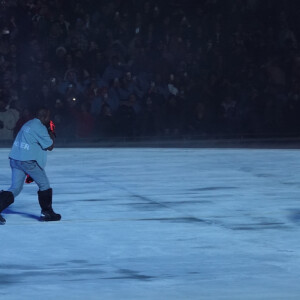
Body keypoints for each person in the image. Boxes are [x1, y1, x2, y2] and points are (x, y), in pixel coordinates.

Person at [0, 108, 61, 225]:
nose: (49, 120)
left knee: (15, 188)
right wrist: (51, 131)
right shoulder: (40, 128)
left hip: (15, 158)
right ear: (44, 117)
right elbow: (50, 146)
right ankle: (47, 213)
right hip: (27, 161)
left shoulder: (29, 123)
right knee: (44, 185)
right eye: (48, 117)